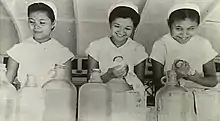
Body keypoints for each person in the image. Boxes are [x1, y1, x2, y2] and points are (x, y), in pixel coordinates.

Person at [150, 3, 219, 121]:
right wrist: (175, 78)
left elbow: (212, 80)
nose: (184, 34)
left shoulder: (203, 44)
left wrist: (190, 76)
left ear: (198, 26)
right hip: (173, 98)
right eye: (178, 29)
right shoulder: (161, 45)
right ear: (168, 24)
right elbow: (157, 82)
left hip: (201, 97)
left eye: (191, 29)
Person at [6, 1, 74, 88]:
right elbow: (7, 83)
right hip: (25, 98)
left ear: (53, 24)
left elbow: (66, 88)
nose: (36, 26)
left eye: (42, 23)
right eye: (32, 22)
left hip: (52, 99)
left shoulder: (63, 53)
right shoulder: (17, 50)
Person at [86, 1, 148, 92]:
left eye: (127, 28)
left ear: (134, 29)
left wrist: (128, 75)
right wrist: (109, 75)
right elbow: (90, 83)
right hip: (100, 97)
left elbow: (140, 86)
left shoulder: (138, 49)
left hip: (127, 99)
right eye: (117, 26)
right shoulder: (96, 46)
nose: (121, 31)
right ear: (110, 24)